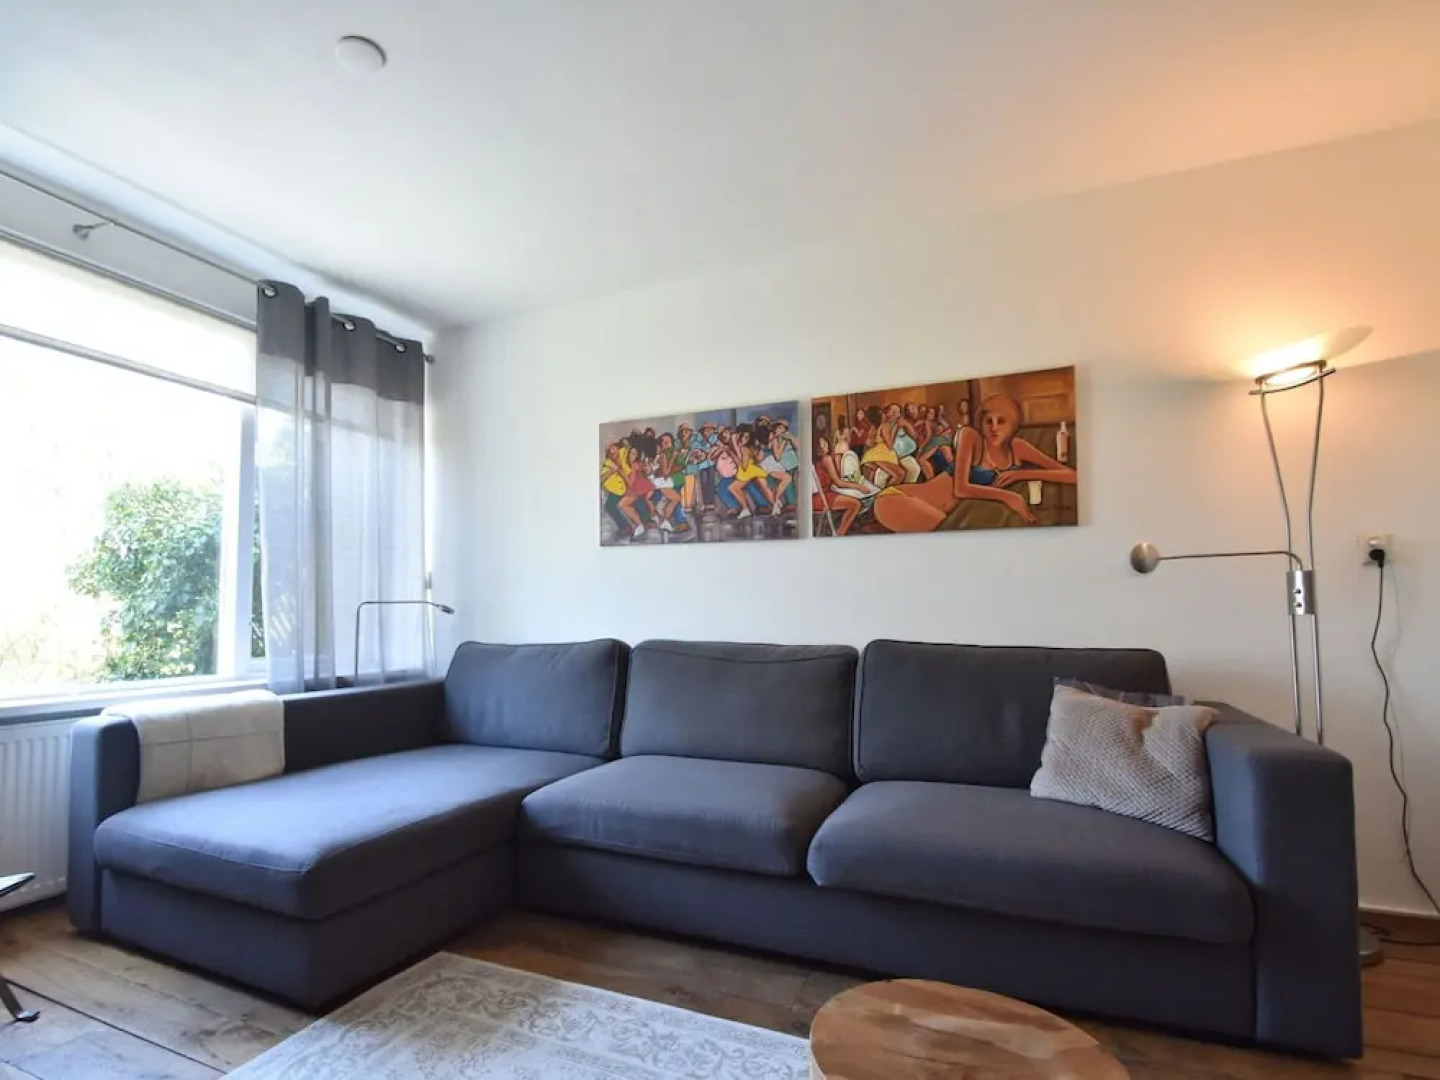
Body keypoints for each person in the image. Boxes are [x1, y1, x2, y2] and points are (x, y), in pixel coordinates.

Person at [872, 394, 1076, 531]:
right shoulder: (971, 437)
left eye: (1001, 421)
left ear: (1013, 424)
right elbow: (961, 488)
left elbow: (1071, 475)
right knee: (954, 536)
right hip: (896, 499)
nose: (994, 428)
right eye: (989, 421)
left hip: (930, 508)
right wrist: (1007, 495)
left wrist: (1021, 474)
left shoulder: (1018, 448)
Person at [760, 418, 800, 516]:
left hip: (792, 464)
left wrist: (791, 439)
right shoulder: (774, 439)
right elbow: (777, 456)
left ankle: (783, 503)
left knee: (790, 482)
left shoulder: (789, 437)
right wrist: (783, 442)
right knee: (777, 483)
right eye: (778, 428)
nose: (780, 430)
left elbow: (799, 446)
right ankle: (777, 503)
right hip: (780, 466)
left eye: (783, 428)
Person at [859, 405, 906, 487]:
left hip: (875, 455)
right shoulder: (885, 425)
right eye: (883, 413)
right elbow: (890, 445)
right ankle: (885, 494)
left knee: (899, 474)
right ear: (880, 415)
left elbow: (870, 443)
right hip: (882, 455)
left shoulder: (874, 427)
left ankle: (885, 493)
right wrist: (895, 427)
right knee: (899, 475)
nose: (885, 414)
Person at [650, 432, 687, 532]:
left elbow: (681, 466)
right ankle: (664, 519)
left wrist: (670, 469)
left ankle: (665, 520)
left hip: (672, 481)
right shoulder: (662, 454)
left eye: (667, 441)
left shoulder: (673, 452)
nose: (665, 443)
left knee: (676, 500)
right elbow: (663, 472)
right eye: (663, 441)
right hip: (663, 482)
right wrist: (673, 459)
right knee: (674, 499)